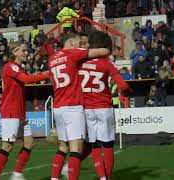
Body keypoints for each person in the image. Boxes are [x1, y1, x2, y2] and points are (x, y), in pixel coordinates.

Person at [48, 33, 110, 180]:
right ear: (70, 42)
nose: (80, 44)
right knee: (76, 149)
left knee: (63, 146)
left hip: (58, 106)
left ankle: (54, 178)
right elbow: (104, 52)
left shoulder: (52, 59)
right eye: (78, 42)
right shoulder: (73, 53)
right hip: (72, 107)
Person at [77, 30, 131, 179]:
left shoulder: (80, 63)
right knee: (107, 146)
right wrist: (127, 91)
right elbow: (122, 85)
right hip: (104, 108)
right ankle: (107, 177)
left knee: (94, 146)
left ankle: (102, 177)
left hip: (87, 109)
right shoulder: (106, 64)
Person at [0, 42, 49, 180]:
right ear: (15, 52)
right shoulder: (10, 66)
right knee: (7, 146)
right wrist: (46, 74)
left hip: (19, 112)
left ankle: (17, 174)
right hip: (11, 112)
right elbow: (27, 80)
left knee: (29, 142)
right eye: (23, 50)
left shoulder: (18, 67)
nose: (26, 53)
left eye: (27, 51)